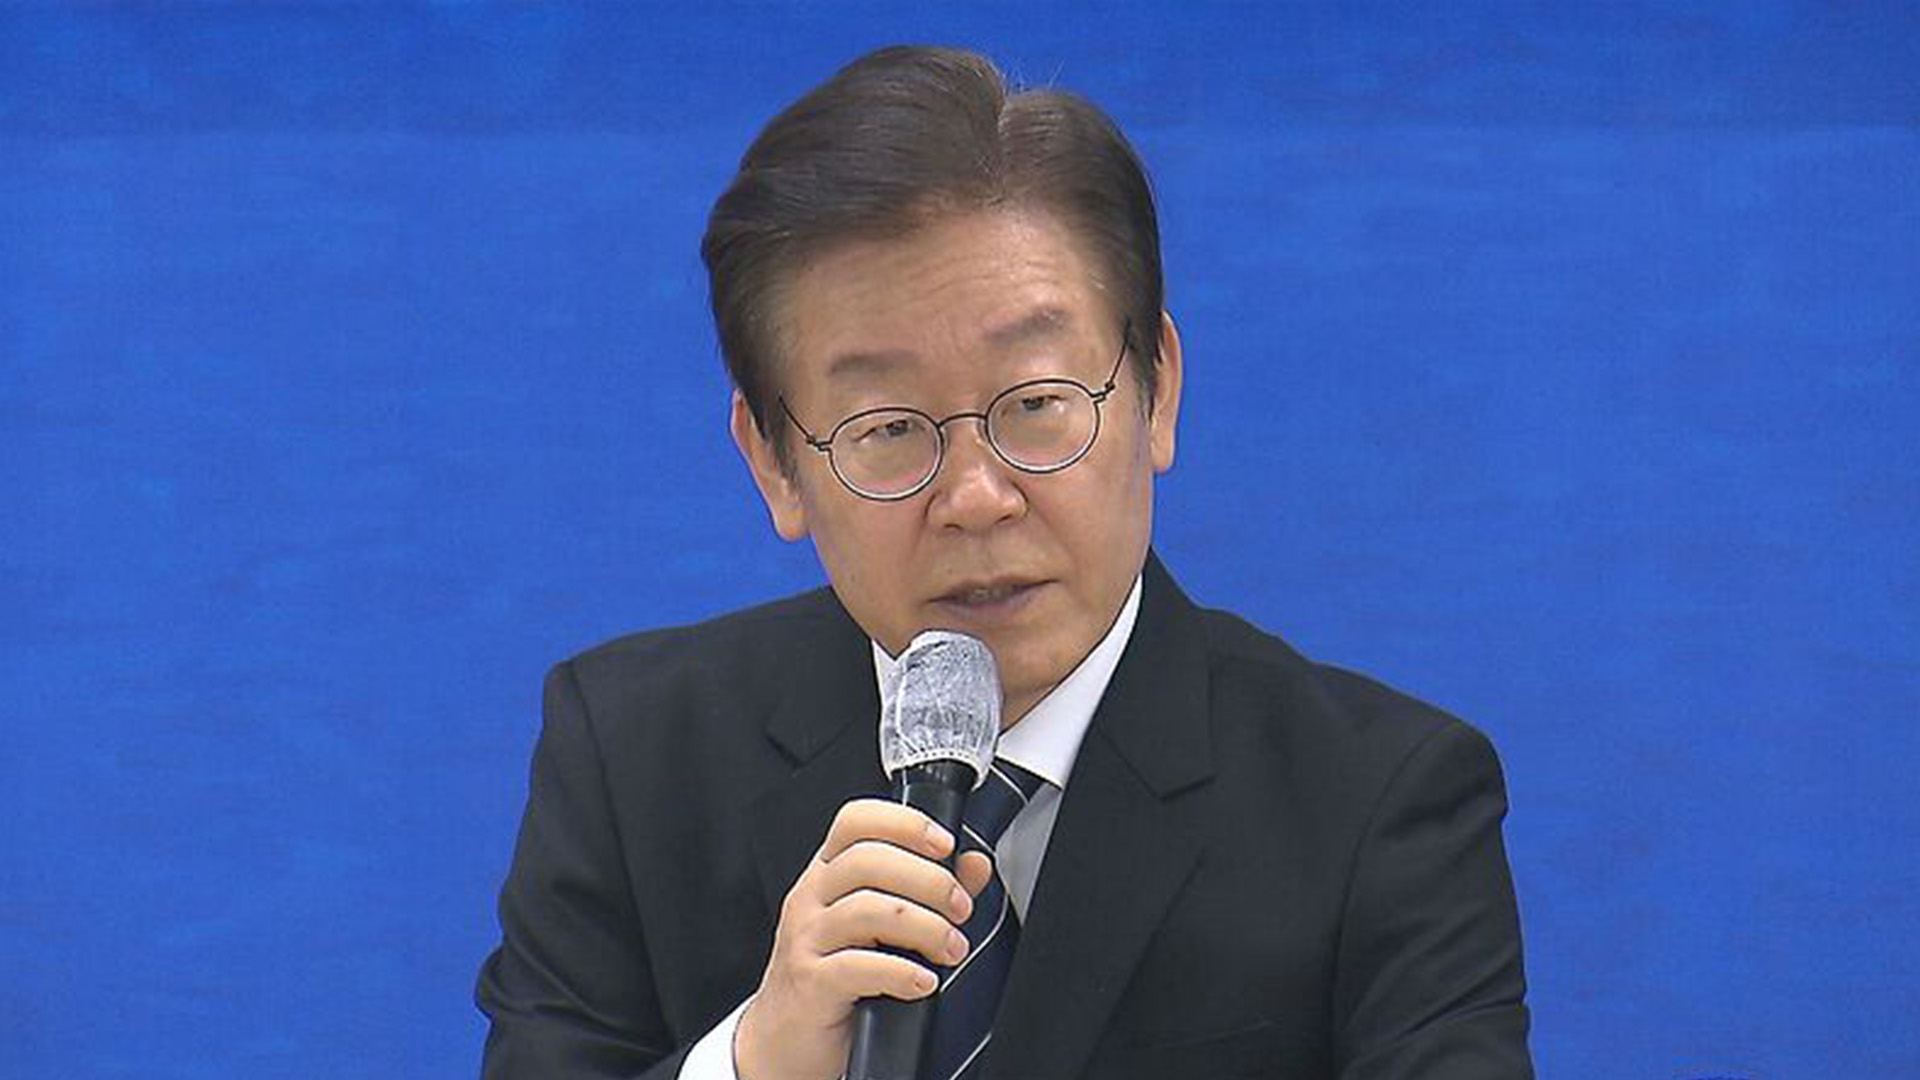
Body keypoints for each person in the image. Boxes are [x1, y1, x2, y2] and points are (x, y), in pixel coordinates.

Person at [475, 45, 1532, 1080]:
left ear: (1157, 391)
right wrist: (757, 1064)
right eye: (889, 428)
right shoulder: (635, 758)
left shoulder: (1377, 806)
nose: (978, 497)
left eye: (1035, 404)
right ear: (775, 464)